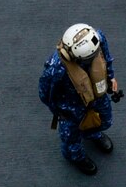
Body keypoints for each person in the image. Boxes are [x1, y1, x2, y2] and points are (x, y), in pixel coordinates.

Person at [39, 24, 119, 175]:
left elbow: (105, 58)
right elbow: (45, 94)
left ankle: (93, 134)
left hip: (97, 97)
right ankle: (75, 157)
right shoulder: (56, 69)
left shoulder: (97, 39)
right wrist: (61, 112)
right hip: (71, 108)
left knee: (104, 120)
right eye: (88, 58)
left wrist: (111, 78)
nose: (91, 59)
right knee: (71, 138)